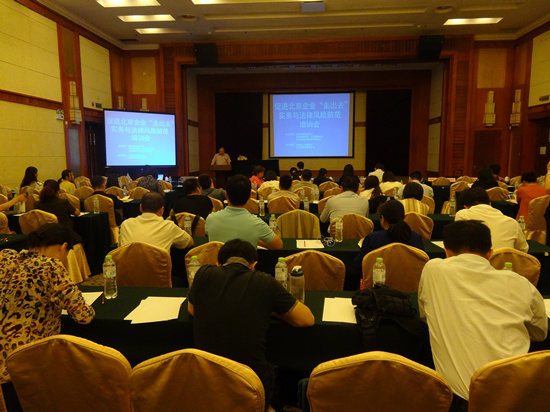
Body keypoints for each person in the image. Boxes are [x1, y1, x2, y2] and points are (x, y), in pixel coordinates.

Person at [419, 220, 547, 408]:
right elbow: (540, 333)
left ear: (446, 251)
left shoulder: (433, 269)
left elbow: (425, 316)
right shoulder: (520, 283)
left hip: (464, 401)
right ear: (490, 254)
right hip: (521, 398)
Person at [187, 239, 314, 410]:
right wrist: (266, 307)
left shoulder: (202, 274)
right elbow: (306, 319)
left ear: (218, 263)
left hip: (207, 380)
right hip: (251, 383)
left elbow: (192, 309)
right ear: (253, 265)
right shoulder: (264, 282)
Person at [0, 223, 95, 410]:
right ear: (63, 247)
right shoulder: (50, 266)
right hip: (25, 358)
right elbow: (83, 316)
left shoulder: (5, 257)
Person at [205, 174, 283, 249]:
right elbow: (278, 245)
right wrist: (257, 241)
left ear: (226, 195)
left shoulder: (211, 219)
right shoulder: (257, 223)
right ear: (249, 196)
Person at [353, 199, 424, 273]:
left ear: (383, 219)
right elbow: (422, 264)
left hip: (378, 280)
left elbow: (358, 265)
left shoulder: (372, 238)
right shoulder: (416, 238)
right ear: (403, 217)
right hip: (409, 280)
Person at [455, 187, 528, 252]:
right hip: (504, 262)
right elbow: (523, 249)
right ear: (490, 204)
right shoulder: (512, 222)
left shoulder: (462, 214)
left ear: (465, 207)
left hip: (474, 262)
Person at [119, 192, 193, 251]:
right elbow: (189, 243)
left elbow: (119, 247)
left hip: (126, 266)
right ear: (162, 210)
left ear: (140, 208)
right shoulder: (168, 226)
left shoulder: (126, 224)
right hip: (158, 266)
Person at [35, 179, 83, 244]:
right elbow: (77, 213)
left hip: (44, 236)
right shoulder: (63, 203)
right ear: (58, 191)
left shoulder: (37, 204)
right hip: (64, 236)